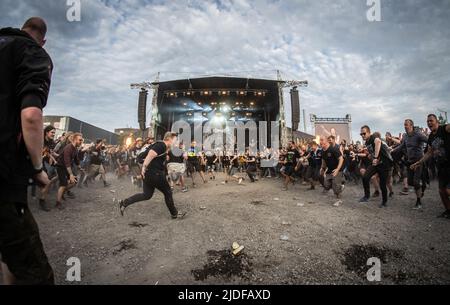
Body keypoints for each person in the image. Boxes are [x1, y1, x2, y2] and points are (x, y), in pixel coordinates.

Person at [0, 17, 54, 284]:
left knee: (8, 253)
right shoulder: (32, 52)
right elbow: (31, 116)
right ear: (42, 39)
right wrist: (37, 168)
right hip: (4, 177)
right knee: (36, 273)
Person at [118, 132, 186, 219]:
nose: (176, 142)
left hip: (149, 173)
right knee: (168, 192)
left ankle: (124, 203)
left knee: (147, 195)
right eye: (175, 140)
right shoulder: (162, 144)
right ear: (169, 138)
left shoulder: (163, 147)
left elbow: (153, 156)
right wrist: (143, 167)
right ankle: (174, 213)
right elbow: (151, 154)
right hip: (155, 173)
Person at [411, 114, 450, 219]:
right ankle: (448, 211)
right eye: (427, 121)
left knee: (447, 190)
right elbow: (429, 153)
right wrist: (418, 162)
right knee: (442, 191)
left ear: (437, 121)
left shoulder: (444, 129)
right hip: (441, 166)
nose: (429, 123)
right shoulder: (431, 137)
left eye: (431, 121)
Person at [392, 119, 428, 209]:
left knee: (415, 182)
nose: (405, 126)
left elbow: (428, 141)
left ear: (411, 125)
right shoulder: (405, 136)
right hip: (410, 161)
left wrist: (428, 152)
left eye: (406, 125)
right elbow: (402, 146)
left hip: (419, 161)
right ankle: (422, 186)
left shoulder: (418, 134)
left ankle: (419, 202)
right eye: (404, 125)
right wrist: (392, 150)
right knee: (410, 182)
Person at [359, 126, 394, 208]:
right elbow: (372, 152)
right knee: (365, 177)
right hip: (376, 164)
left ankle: (384, 202)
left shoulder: (373, 137)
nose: (362, 135)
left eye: (364, 133)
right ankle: (366, 196)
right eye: (361, 134)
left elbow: (378, 142)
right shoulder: (367, 142)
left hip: (384, 164)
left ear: (369, 133)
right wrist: (371, 156)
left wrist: (375, 157)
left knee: (382, 184)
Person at [55, 133, 83, 210]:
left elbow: (76, 159)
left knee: (74, 181)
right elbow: (67, 162)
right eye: (80, 140)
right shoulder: (68, 148)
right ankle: (58, 203)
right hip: (61, 167)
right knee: (63, 184)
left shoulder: (75, 148)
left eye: (82, 140)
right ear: (74, 140)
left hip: (67, 167)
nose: (81, 141)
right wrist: (70, 174)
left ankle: (62, 193)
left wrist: (79, 167)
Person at [320, 136, 345, 206]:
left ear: (326, 141)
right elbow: (323, 160)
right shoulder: (322, 151)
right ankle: (340, 186)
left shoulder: (334, 149)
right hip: (329, 170)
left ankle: (339, 199)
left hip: (337, 169)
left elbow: (341, 159)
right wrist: (322, 168)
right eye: (320, 140)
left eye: (322, 140)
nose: (320, 142)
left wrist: (337, 169)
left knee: (335, 186)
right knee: (326, 185)